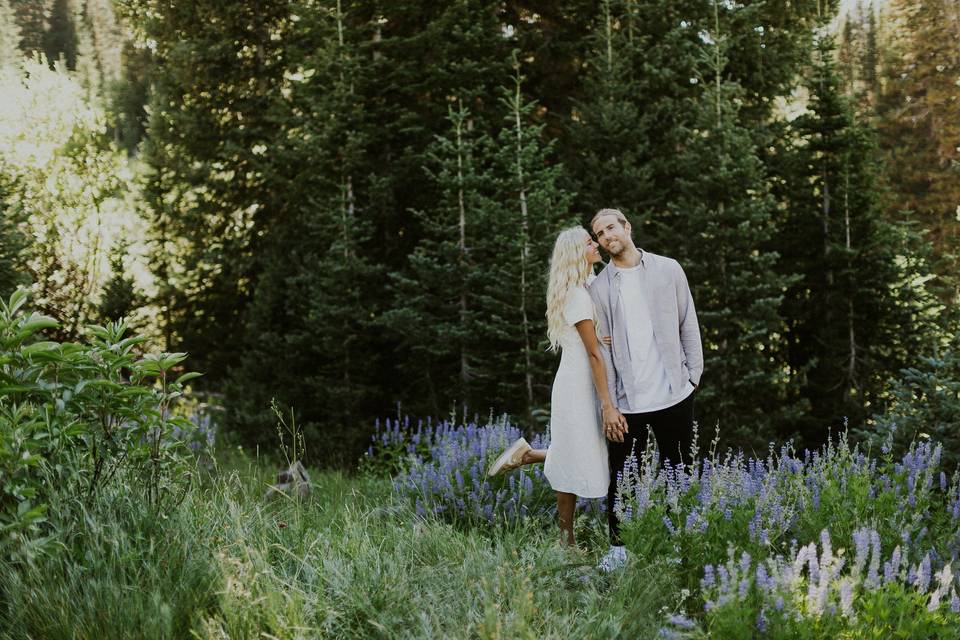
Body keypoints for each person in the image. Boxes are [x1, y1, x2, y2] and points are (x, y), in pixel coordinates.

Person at [486, 226, 626, 547]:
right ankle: (566, 540)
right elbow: (592, 350)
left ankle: (528, 455)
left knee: (588, 451)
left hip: (591, 379)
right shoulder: (576, 295)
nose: (597, 244)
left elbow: (598, 337)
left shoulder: (590, 284)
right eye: (590, 242)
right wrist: (606, 399)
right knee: (575, 454)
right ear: (577, 253)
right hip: (578, 385)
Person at [589, 208, 704, 572]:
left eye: (611, 228)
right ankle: (620, 549)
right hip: (629, 401)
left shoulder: (668, 269)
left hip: (674, 392)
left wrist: (693, 376)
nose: (607, 236)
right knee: (623, 476)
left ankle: (679, 544)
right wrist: (609, 405)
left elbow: (688, 320)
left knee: (679, 471)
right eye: (600, 234)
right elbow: (602, 351)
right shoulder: (601, 287)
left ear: (627, 228)